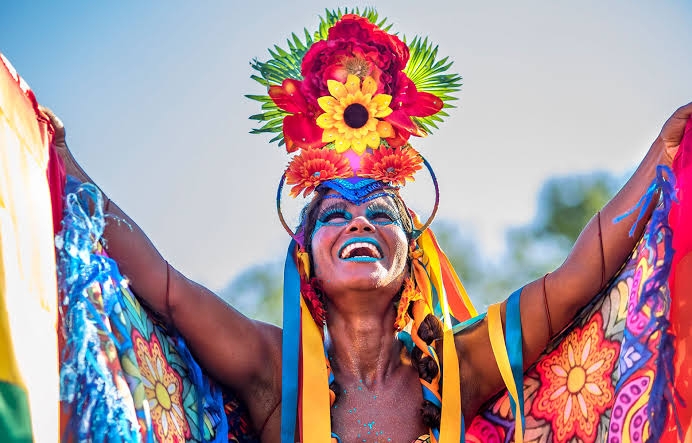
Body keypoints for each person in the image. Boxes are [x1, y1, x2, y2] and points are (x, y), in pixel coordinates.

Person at [48, 11, 692, 443]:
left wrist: (660, 156)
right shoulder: (274, 373)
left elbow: (579, 275)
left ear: (413, 255)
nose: (359, 221)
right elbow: (167, 291)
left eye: (381, 212)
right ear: (307, 257)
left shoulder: (457, 368)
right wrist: (65, 166)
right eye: (335, 214)